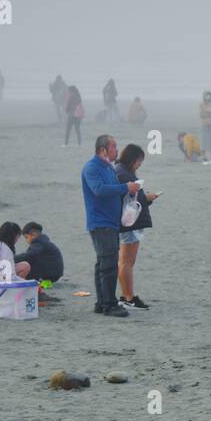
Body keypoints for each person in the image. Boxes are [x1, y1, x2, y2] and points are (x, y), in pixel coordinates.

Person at [81, 134, 140, 317]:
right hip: (100, 222)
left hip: (111, 222)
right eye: (113, 147)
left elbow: (115, 191)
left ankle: (102, 303)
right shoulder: (92, 167)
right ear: (103, 150)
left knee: (103, 263)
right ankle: (109, 304)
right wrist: (125, 187)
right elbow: (98, 190)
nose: (117, 150)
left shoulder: (109, 168)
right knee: (108, 264)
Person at [115, 143, 159, 310]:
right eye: (139, 160)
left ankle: (127, 295)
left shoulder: (122, 171)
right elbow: (130, 201)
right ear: (133, 159)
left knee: (127, 261)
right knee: (126, 261)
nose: (140, 163)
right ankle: (129, 297)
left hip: (130, 221)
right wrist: (147, 198)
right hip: (129, 223)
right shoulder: (123, 173)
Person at [199, 90, 211, 161]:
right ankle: (203, 155)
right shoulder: (201, 104)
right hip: (204, 124)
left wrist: (207, 111)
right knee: (204, 140)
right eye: (207, 95)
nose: (208, 97)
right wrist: (210, 113)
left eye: (209, 95)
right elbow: (202, 115)